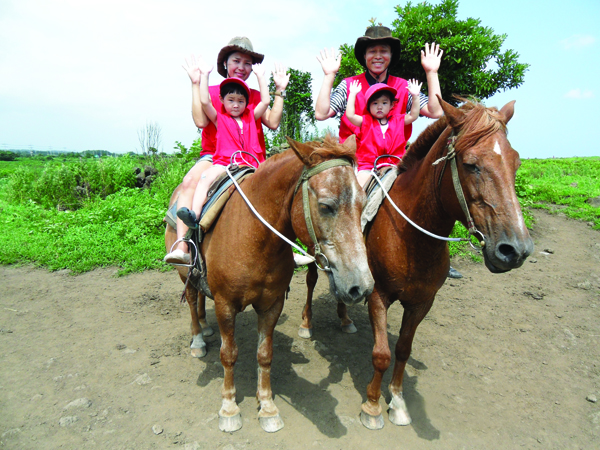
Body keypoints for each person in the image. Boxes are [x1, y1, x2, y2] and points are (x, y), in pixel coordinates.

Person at [165, 37, 289, 265]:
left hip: (252, 156)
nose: (242, 67)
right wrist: (196, 82)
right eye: (236, 61)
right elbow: (201, 120)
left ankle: (288, 251)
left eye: (247, 63)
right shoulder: (212, 91)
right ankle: (183, 244)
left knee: (287, 191)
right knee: (191, 181)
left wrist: (279, 90)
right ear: (225, 63)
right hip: (216, 155)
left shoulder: (254, 95)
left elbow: (272, 121)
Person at [176, 63, 270, 230]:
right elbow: (204, 101)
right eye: (231, 100)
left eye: (241, 101)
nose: (236, 105)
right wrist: (204, 76)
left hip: (249, 164)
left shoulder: (251, 117)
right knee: (205, 178)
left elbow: (265, 101)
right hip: (225, 164)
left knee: (271, 187)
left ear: (247, 103)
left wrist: (260, 76)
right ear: (221, 100)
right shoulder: (220, 119)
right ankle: (194, 215)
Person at [314, 26, 443, 145]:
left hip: (393, 160)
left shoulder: (405, 86)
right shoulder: (348, 85)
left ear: (391, 55)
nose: (378, 56)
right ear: (364, 55)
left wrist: (431, 72)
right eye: (372, 51)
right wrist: (329, 75)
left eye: (383, 51)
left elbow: (435, 112)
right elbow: (321, 114)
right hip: (353, 161)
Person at [346, 79, 422, 187]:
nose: (380, 106)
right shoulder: (365, 121)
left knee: (413, 186)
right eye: (375, 103)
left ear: (392, 105)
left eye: (384, 103)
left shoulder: (398, 120)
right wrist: (352, 94)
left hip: (396, 165)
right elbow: (350, 115)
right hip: (369, 167)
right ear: (368, 107)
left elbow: (413, 115)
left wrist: (415, 96)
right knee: (359, 189)